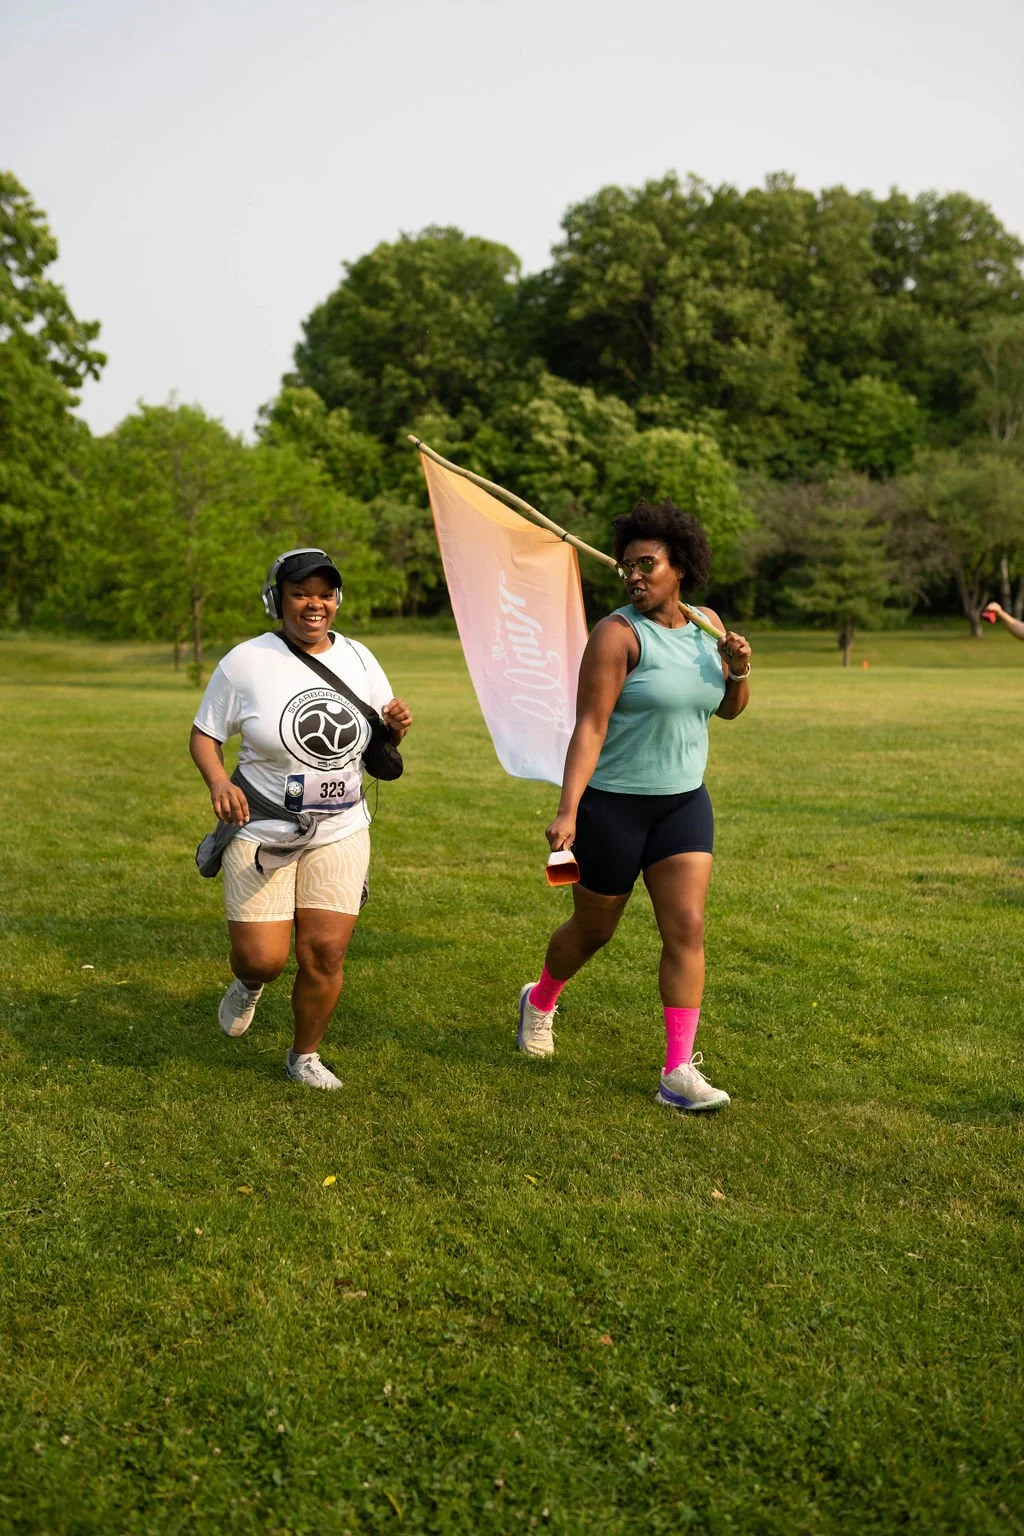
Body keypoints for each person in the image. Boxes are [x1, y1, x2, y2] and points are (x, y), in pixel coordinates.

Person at [518, 500, 751, 1112]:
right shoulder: (617, 634)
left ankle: (678, 1070)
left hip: (683, 805)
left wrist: (740, 672)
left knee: (688, 927)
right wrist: (568, 811)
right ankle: (540, 998)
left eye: (647, 564)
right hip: (612, 808)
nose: (635, 576)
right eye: (627, 567)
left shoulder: (708, 625)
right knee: (594, 931)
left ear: (681, 567)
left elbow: (726, 709)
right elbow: (590, 727)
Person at [189, 548, 412, 1090]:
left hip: (340, 825)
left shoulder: (359, 657)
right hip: (262, 826)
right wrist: (220, 782)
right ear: (277, 600)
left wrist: (397, 725)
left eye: (324, 593)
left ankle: (303, 1056)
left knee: (326, 951)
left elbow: (378, 731)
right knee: (263, 958)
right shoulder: (245, 662)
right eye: (300, 592)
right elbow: (204, 736)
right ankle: (248, 984)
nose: (314, 603)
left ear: (337, 600)